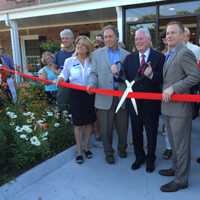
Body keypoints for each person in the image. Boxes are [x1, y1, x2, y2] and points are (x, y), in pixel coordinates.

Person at [159, 21, 200, 192]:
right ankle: (176, 169)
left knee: (181, 146)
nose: (169, 36)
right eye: (167, 33)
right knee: (174, 145)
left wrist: (174, 88)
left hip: (180, 109)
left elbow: (195, 77)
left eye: (173, 33)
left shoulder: (184, 53)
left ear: (183, 35)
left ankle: (181, 179)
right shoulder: (170, 53)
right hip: (169, 108)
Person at [123, 28, 165, 173]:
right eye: (136, 39)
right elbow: (124, 78)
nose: (138, 41)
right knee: (135, 131)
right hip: (133, 103)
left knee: (151, 131)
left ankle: (150, 158)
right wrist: (116, 72)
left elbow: (163, 80)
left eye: (141, 38)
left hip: (151, 104)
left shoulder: (159, 57)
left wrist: (152, 75)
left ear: (148, 39)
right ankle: (139, 157)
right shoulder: (129, 58)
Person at [88, 25, 129, 164]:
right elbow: (93, 73)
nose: (108, 39)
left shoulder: (126, 55)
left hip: (121, 97)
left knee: (123, 127)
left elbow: (130, 76)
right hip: (103, 98)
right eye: (105, 37)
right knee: (105, 129)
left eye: (110, 36)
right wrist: (92, 84)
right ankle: (108, 152)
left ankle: (122, 149)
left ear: (117, 37)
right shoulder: (97, 54)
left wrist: (120, 72)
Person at [57, 36, 96, 164]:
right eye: (78, 44)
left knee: (89, 122)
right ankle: (79, 151)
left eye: (83, 45)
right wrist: (61, 79)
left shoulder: (92, 61)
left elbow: (95, 75)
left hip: (89, 94)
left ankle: (86, 146)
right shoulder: (69, 61)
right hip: (76, 95)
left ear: (88, 48)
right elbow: (64, 74)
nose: (80, 47)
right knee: (78, 123)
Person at [53, 29, 75, 114]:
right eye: (63, 38)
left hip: (77, 86)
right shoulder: (58, 54)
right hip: (63, 87)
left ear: (72, 39)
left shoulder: (79, 52)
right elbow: (54, 68)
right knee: (63, 110)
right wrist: (58, 72)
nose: (64, 40)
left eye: (67, 38)